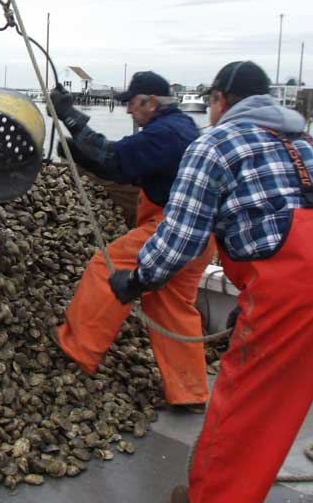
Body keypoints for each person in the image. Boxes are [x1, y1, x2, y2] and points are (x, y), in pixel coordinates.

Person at [107, 61, 313, 503]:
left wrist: (138, 280)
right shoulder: (306, 142)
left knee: (250, 404)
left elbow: (182, 237)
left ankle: (214, 496)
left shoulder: (215, 144)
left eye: (210, 101)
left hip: (297, 286)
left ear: (220, 101)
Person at [50, 71, 216, 412]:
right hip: (203, 235)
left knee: (106, 268)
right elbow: (126, 165)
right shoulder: (179, 128)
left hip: (173, 228)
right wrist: (81, 151)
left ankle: (77, 349)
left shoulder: (165, 134)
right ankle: (190, 393)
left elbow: (115, 160)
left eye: (131, 104)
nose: (127, 111)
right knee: (169, 305)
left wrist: (68, 117)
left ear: (150, 102)